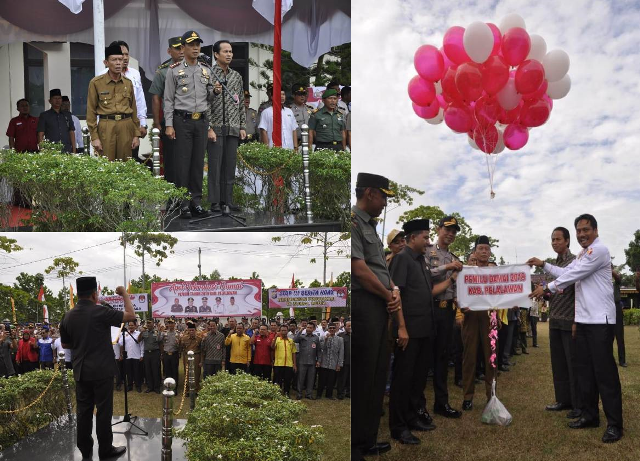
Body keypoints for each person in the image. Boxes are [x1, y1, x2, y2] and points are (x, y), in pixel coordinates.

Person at [528, 214, 623, 443]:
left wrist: (546, 287)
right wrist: (544, 265)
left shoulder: (599, 251)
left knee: (604, 374)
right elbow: (566, 272)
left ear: (596, 230)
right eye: (579, 231)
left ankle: (615, 424)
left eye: (585, 230)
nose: (582, 235)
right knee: (584, 373)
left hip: (601, 321)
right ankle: (590, 416)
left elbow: (574, 274)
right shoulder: (582, 253)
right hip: (582, 321)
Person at [388, 219, 459, 445]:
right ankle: (398, 427)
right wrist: (401, 327)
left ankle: (411, 418)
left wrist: (451, 280)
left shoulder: (420, 261)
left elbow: (429, 291)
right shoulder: (401, 259)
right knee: (403, 379)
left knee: (417, 380)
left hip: (424, 330)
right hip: (409, 331)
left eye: (429, 237)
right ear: (413, 238)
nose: (428, 242)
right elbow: (396, 296)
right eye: (425, 237)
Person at [351, 172, 407, 460]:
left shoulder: (370, 226)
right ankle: (354, 446)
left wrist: (393, 289)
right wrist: (389, 296)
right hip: (365, 307)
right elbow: (359, 269)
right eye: (384, 196)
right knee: (363, 377)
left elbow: (380, 269)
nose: (386, 202)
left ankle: (367, 439)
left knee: (376, 375)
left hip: (380, 306)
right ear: (370, 193)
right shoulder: (352, 222)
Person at [59, 279, 135, 460]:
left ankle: (86, 452)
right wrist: (124, 293)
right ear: (94, 294)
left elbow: (65, 344)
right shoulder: (101, 311)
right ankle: (105, 450)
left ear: (78, 294)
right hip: (102, 371)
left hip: (81, 372)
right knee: (103, 412)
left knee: (83, 413)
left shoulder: (67, 316)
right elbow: (131, 316)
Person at [164, 30, 217, 219]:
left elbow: (209, 98)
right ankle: (183, 204)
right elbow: (168, 100)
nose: (195, 48)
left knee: (197, 164)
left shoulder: (206, 69)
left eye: (198, 45)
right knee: (183, 164)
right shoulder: (174, 70)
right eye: (192, 45)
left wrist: (215, 91)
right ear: (183, 48)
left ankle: (196, 202)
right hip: (182, 120)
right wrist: (169, 124)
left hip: (201, 121)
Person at [424, 216, 463, 419]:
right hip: (430, 310)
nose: (450, 234)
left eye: (454, 231)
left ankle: (442, 402)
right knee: (424, 359)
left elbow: (456, 287)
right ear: (438, 229)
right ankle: (419, 405)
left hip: (447, 311)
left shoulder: (455, 257)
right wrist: (446, 268)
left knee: (442, 357)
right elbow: (424, 276)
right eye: (447, 229)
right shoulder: (427, 252)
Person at [207, 39, 246, 213]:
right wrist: (208, 127)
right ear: (216, 54)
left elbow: (241, 102)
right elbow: (203, 102)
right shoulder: (207, 73)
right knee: (215, 166)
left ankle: (228, 201)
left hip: (232, 126)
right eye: (225, 51)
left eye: (231, 51)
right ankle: (215, 202)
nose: (229, 54)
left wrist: (242, 126)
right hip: (215, 126)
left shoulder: (236, 76)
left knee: (230, 165)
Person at [460, 236, 496, 411]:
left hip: (490, 317)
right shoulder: (466, 271)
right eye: (480, 248)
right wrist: (461, 305)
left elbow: (504, 292)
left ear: (490, 252)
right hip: (471, 316)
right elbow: (458, 292)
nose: (483, 252)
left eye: (486, 249)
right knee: (469, 357)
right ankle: (468, 396)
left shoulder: (495, 271)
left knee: (491, 358)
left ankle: (492, 395)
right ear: (475, 251)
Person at [86, 44, 140, 161]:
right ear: (106, 63)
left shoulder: (128, 83)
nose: (118, 63)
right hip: (106, 126)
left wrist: (136, 135)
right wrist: (94, 137)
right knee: (106, 165)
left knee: (126, 165)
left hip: (126, 125)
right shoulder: (96, 83)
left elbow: (134, 110)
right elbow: (91, 112)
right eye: (114, 60)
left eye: (120, 59)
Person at [149, 36, 184, 184]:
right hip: (171, 120)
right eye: (177, 48)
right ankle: (172, 194)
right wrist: (157, 123)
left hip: (190, 120)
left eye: (183, 47)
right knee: (172, 160)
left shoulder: (195, 67)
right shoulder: (163, 72)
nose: (181, 51)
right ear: (169, 51)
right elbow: (156, 98)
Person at [107, 40, 148, 164]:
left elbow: (140, 99)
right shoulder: (102, 76)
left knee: (131, 160)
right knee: (111, 163)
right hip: (110, 124)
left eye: (126, 54)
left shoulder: (134, 74)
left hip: (130, 123)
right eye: (120, 55)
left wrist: (143, 123)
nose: (124, 58)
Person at [37, 88, 76, 153]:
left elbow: (71, 132)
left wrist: (74, 150)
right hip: (51, 150)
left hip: (66, 149)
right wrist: (42, 150)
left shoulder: (67, 115)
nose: (57, 100)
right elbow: (40, 134)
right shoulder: (44, 115)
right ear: (50, 101)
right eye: (55, 98)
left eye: (59, 98)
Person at [316, 322, 344, 400]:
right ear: (328, 329)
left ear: (336, 329)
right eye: (330, 328)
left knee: (331, 380)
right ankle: (319, 394)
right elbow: (321, 349)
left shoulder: (340, 339)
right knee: (321, 380)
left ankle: (329, 395)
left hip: (333, 363)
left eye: (333, 328)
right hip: (324, 363)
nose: (332, 329)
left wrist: (339, 364)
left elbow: (341, 352)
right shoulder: (323, 337)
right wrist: (325, 340)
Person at [294, 322, 320, 399]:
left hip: (312, 362)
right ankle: (299, 394)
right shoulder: (301, 337)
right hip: (302, 362)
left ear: (313, 329)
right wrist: (300, 330)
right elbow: (294, 340)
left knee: (311, 379)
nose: (308, 329)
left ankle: (309, 394)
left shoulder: (316, 338)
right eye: (307, 327)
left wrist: (318, 360)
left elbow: (318, 350)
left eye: (310, 328)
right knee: (300, 378)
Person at [271, 325, 297, 396]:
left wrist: (294, 364)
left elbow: (293, 352)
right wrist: (276, 337)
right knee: (278, 380)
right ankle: (277, 393)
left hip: (288, 364)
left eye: (285, 330)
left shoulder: (291, 341)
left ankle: (286, 393)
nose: (283, 332)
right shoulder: (277, 340)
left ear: (287, 331)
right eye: (282, 330)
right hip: (278, 364)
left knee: (287, 380)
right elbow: (272, 347)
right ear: (280, 331)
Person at [119, 321, 144, 393]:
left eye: (132, 325)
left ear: (135, 326)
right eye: (129, 325)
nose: (131, 327)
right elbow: (120, 343)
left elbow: (142, 345)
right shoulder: (125, 334)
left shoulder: (138, 334)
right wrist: (120, 335)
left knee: (137, 372)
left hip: (136, 356)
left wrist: (141, 355)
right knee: (129, 372)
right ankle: (129, 386)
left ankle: (138, 386)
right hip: (128, 357)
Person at [179, 320, 203, 390]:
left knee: (197, 373)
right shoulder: (184, 338)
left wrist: (201, 361)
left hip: (196, 357)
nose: (191, 332)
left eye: (193, 330)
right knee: (187, 372)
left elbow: (201, 350)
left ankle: (196, 388)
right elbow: (181, 348)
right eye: (190, 330)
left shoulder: (199, 339)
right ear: (188, 331)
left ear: (195, 330)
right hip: (187, 357)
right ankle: (187, 389)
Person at [141, 319, 162, 393]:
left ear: (153, 324)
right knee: (148, 370)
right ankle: (149, 387)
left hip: (155, 353)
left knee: (155, 370)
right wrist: (141, 332)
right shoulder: (144, 332)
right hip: (147, 353)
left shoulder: (156, 332)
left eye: (150, 323)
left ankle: (156, 387)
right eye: (148, 323)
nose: (148, 324)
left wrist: (159, 332)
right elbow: (139, 340)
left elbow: (159, 340)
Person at [611, 265, 626, 367]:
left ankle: (622, 360)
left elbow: (618, 278)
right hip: (605, 308)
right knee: (607, 336)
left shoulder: (616, 279)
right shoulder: (601, 280)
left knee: (619, 335)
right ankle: (609, 360)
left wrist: (610, 270)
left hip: (616, 307)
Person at [160, 318, 180, 383]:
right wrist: (160, 331)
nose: (170, 325)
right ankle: (168, 386)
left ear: (174, 324)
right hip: (166, 354)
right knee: (167, 371)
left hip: (174, 354)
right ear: (167, 324)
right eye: (169, 323)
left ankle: (175, 387)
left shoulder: (178, 333)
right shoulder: (164, 333)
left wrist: (178, 343)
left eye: (172, 323)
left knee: (174, 371)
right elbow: (158, 340)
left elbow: (180, 345)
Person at [337, 320, 351, 399]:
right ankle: (340, 393)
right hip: (343, 362)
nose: (350, 327)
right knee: (342, 378)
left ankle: (348, 392)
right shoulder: (340, 336)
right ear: (344, 327)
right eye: (348, 326)